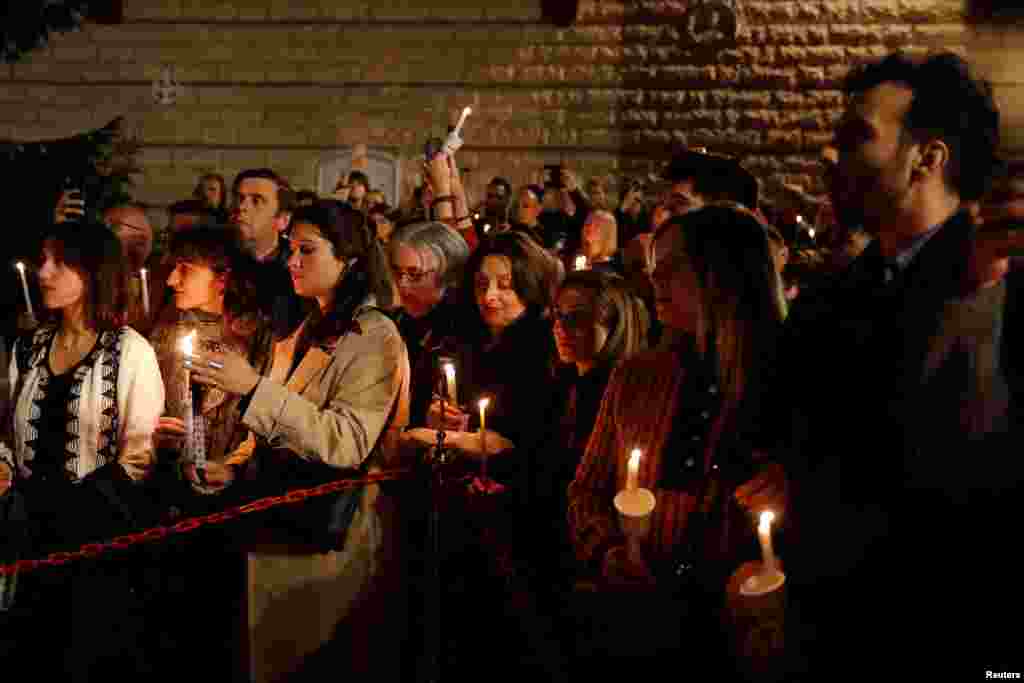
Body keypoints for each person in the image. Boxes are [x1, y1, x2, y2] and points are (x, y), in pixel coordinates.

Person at [782, 51, 1023, 678]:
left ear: (929, 157)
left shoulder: (999, 285)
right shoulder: (832, 297)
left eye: (855, 137)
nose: (829, 158)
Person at [186, 200, 410, 681]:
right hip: (277, 512)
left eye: (307, 250)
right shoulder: (311, 324)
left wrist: (250, 386)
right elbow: (278, 417)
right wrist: (236, 463)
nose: (292, 260)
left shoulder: (374, 335)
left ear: (349, 260)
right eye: (290, 248)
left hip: (330, 530)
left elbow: (347, 440)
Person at [568, 205, 787, 679]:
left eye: (669, 270)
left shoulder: (787, 381)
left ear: (721, 273)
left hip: (740, 634)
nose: (654, 284)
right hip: (638, 620)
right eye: (651, 271)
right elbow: (585, 490)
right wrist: (606, 552)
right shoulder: (638, 377)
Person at [1, 220, 164, 678]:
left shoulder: (129, 352)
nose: (44, 272)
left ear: (93, 272)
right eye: (44, 259)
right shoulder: (28, 347)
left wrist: (81, 505)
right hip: (31, 539)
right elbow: (10, 433)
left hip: (98, 542)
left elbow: (140, 452)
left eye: (60, 262)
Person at [389, 221, 469, 426]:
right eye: (397, 272)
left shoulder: (461, 332)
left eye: (415, 274)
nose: (402, 284)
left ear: (448, 276)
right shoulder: (396, 321)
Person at [229, 167, 307, 338]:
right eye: (239, 198)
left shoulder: (300, 271)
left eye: (256, 201)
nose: (242, 207)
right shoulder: (220, 262)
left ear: (282, 220)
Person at [577, 210, 622, 275]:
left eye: (597, 226)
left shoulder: (609, 275)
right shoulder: (578, 262)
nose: (589, 229)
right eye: (587, 224)